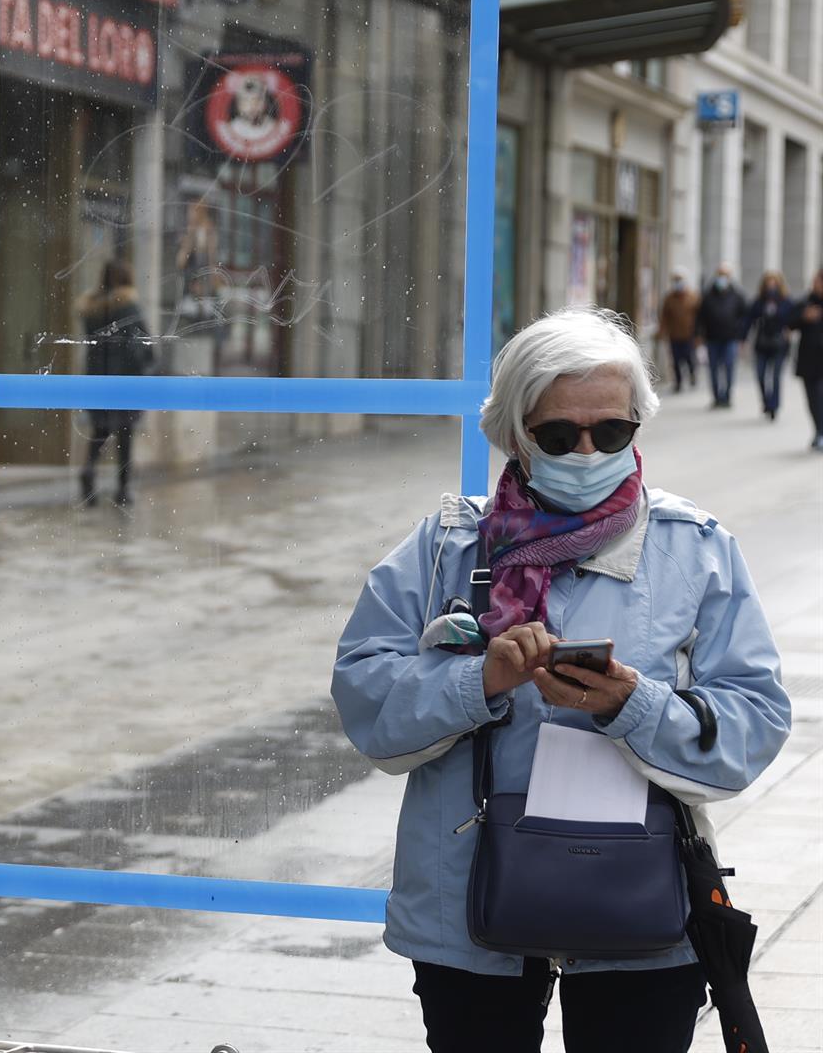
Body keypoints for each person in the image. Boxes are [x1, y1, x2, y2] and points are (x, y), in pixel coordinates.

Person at [331, 307, 790, 1053]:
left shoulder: (696, 549)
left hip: (638, 899)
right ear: (515, 433)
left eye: (610, 431)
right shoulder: (445, 545)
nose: (586, 450)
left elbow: (754, 721)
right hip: (468, 897)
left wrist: (634, 706)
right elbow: (365, 701)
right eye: (558, 434)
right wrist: (478, 680)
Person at [77, 258, 154, 507]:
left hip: (98, 380)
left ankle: (88, 472)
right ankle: (123, 488)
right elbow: (143, 347)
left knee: (100, 431)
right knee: (124, 436)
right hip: (125, 382)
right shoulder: (129, 308)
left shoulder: (93, 310)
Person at [696, 262, 748, 408]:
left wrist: (741, 336)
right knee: (713, 369)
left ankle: (727, 396)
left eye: (725, 275)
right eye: (720, 275)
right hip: (712, 338)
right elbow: (700, 317)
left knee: (729, 367)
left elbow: (744, 317)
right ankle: (717, 397)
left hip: (730, 339)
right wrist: (699, 335)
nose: (722, 278)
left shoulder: (737, 295)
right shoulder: (708, 295)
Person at [744, 270, 792, 420]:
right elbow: (749, 320)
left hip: (779, 344)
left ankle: (774, 405)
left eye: (774, 282)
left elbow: (791, 320)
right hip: (762, 343)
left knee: (776, 376)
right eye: (768, 282)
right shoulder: (759, 301)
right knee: (760, 374)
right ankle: (766, 401)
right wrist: (743, 339)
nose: (771, 286)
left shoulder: (785, 301)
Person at [792, 269, 823, 451]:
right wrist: (804, 316)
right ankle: (819, 430)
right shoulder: (805, 302)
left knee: (820, 396)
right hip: (808, 359)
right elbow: (789, 322)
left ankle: (821, 431)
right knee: (812, 398)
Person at [657, 268, 700, 393]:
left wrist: (699, 334)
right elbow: (664, 316)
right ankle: (678, 382)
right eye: (676, 280)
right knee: (675, 360)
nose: (678, 283)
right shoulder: (669, 299)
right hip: (674, 335)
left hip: (689, 334)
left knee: (689, 357)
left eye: (679, 280)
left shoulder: (692, 297)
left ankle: (692, 374)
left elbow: (698, 316)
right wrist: (662, 331)